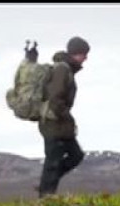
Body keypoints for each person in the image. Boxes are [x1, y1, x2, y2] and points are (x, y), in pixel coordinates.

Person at [37, 36, 90, 197]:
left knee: (75, 155)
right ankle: (45, 197)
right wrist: (67, 117)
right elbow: (55, 98)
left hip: (60, 123)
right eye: (83, 54)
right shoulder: (62, 69)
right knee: (53, 161)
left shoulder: (66, 69)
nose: (85, 58)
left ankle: (46, 186)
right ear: (75, 53)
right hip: (53, 123)